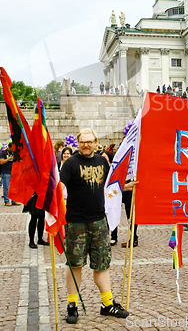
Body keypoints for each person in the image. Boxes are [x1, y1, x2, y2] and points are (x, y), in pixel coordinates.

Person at [60, 128, 132, 323]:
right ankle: (72, 304)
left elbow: (111, 185)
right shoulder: (70, 164)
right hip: (76, 222)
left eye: (90, 141)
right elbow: (60, 187)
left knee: (102, 264)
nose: (86, 145)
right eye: (83, 142)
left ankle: (107, 304)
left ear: (95, 142)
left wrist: (127, 186)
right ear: (78, 143)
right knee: (75, 265)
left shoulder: (102, 161)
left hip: (100, 221)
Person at [0, 142, 19, 207]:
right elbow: (1, 162)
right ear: (9, 147)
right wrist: (9, 158)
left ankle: (14, 200)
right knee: (6, 187)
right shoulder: (3, 153)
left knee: (14, 187)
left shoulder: (14, 152)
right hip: (6, 172)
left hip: (14, 172)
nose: (13, 149)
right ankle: (7, 201)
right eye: (12, 148)